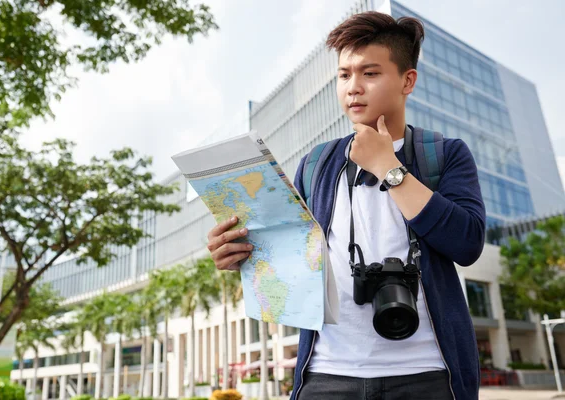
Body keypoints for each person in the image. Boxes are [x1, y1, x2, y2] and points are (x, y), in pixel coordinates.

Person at [207, 11, 485, 400]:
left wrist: (389, 167)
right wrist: (241, 253)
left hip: (427, 374)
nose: (353, 88)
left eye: (369, 73)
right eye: (343, 75)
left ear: (408, 80)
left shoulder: (445, 154)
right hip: (325, 375)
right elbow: (295, 257)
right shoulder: (317, 164)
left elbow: (468, 243)